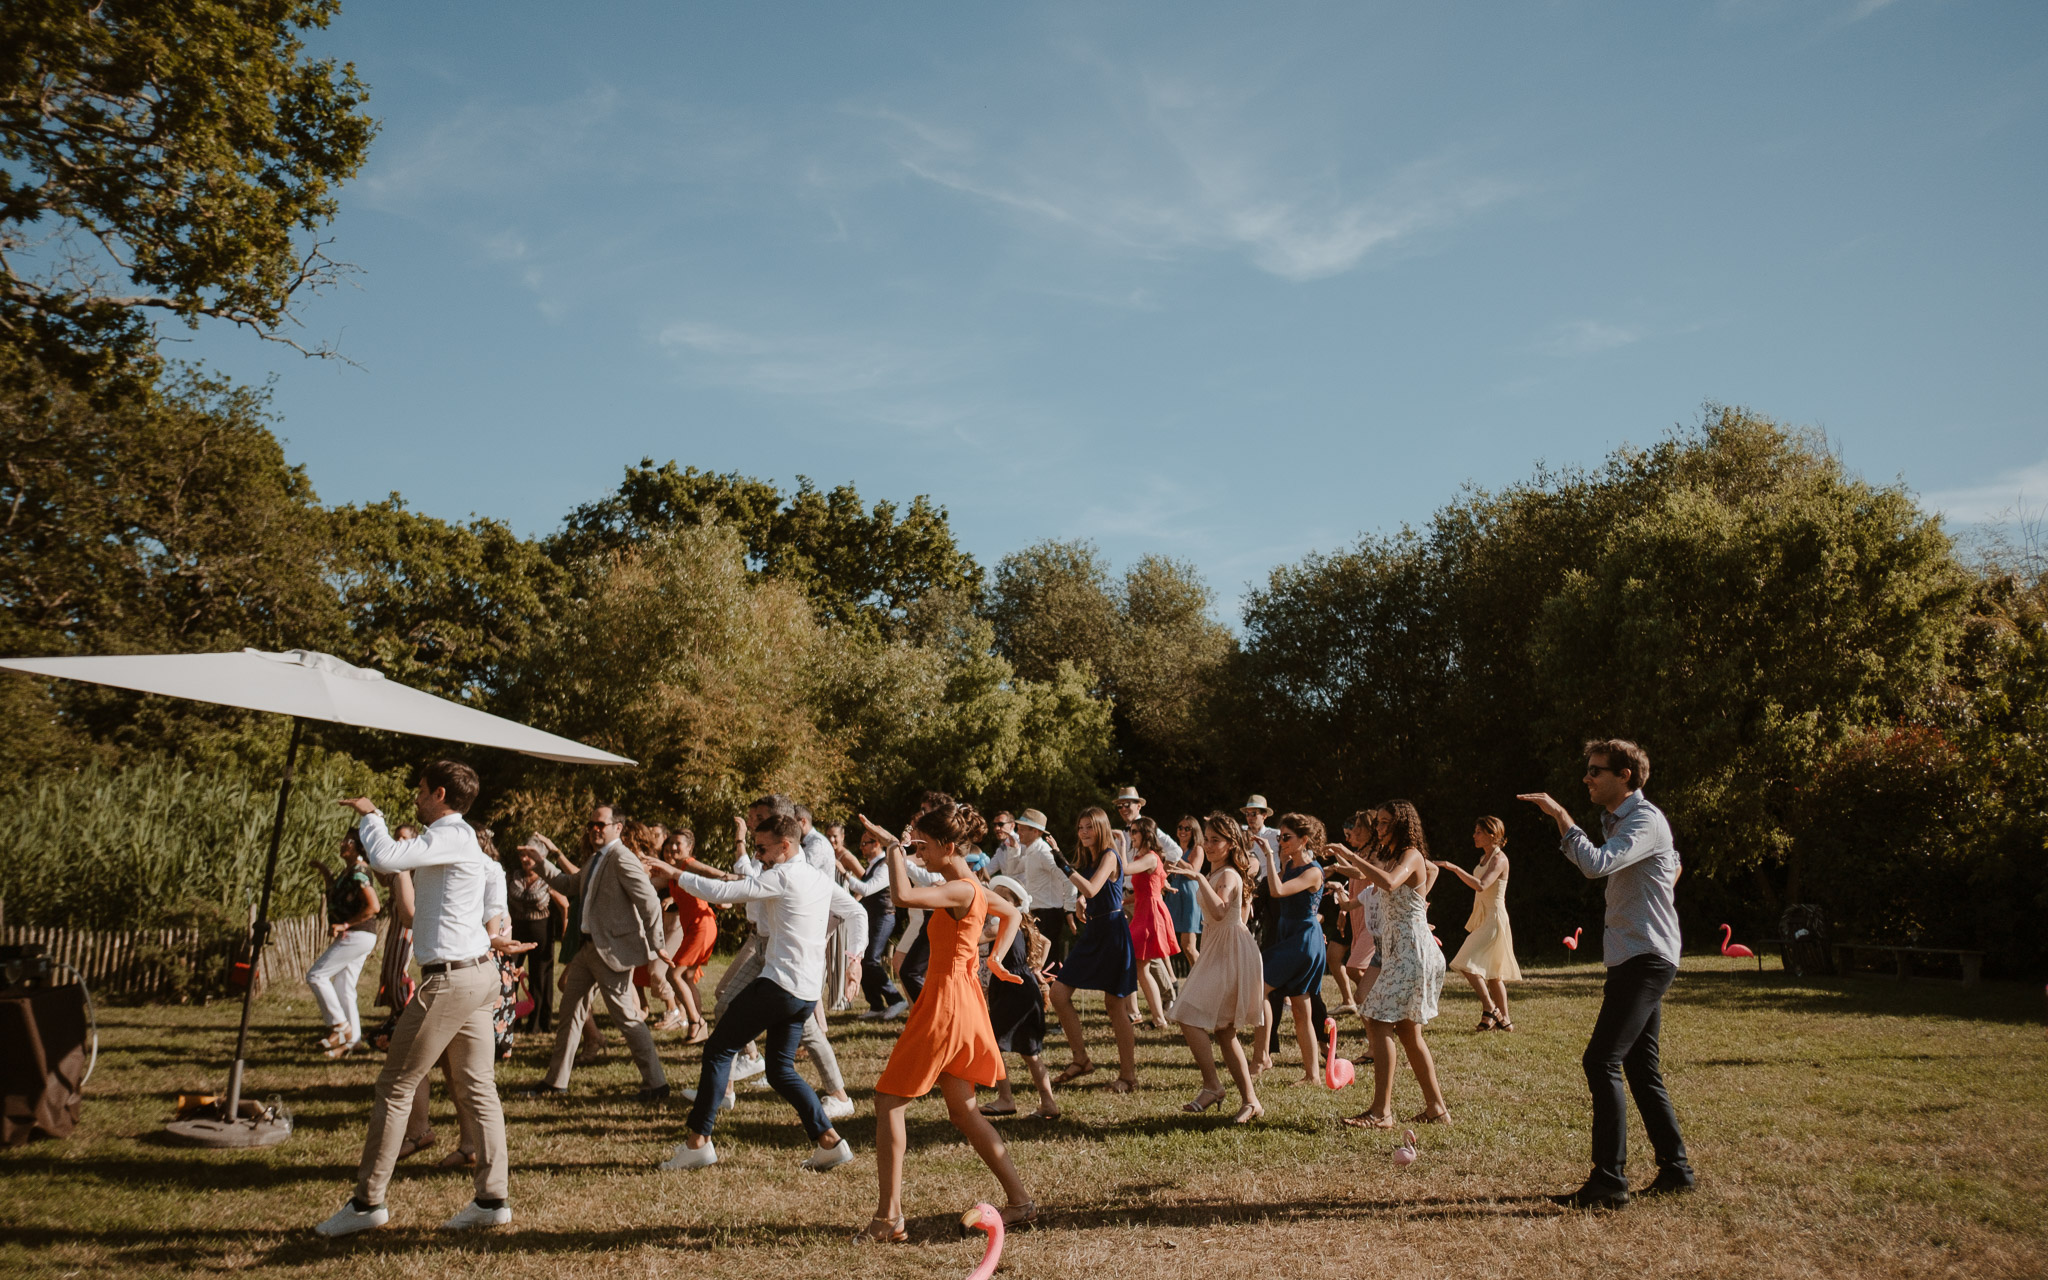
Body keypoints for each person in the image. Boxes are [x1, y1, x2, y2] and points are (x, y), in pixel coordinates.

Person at [316, 761, 510, 1237]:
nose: (417, 798)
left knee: (396, 1086)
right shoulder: (458, 840)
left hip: (451, 981)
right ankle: (491, 1200)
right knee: (477, 1086)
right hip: (478, 975)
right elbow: (481, 880)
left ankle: (367, 1204)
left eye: (421, 790)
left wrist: (370, 813)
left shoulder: (448, 831)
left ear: (439, 793)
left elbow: (382, 856)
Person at [1521, 738, 1695, 1209]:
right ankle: (1676, 1170)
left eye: (1597, 770)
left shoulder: (1644, 818)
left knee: (1601, 1060)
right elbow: (1672, 864)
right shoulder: (1627, 821)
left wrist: (1561, 817)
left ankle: (1609, 1181)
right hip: (1632, 956)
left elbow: (1596, 865)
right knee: (1640, 1066)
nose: (1587, 778)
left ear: (1626, 776)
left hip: (1646, 957)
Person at [857, 805, 1036, 1242]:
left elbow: (901, 898)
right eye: (914, 843)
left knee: (888, 1101)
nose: (917, 851)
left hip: (946, 1003)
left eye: (923, 845)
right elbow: (1011, 915)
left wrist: (894, 848)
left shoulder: (960, 890)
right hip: (959, 999)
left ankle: (889, 1217)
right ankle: (1020, 1202)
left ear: (949, 847)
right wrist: (992, 959)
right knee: (963, 1109)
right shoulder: (971, 886)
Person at [659, 811, 866, 1173]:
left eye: (762, 848)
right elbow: (857, 912)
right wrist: (854, 957)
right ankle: (830, 1144)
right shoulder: (817, 878)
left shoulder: (783, 877)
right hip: (803, 993)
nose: (758, 855)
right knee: (779, 1070)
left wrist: (676, 873)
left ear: (785, 846)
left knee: (719, 1049)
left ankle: (698, 1144)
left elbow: (724, 891)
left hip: (780, 986)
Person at [704, 798, 862, 1119]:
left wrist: (851, 958)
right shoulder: (769, 849)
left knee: (807, 1031)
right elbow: (751, 879)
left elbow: (815, 896)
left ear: (783, 824)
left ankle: (839, 1095)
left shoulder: (811, 851)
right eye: (751, 821)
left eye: (759, 819)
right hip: (762, 941)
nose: (753, 828)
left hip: (791, 950)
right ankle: (728, 1085)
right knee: (725, 1004)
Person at [523, 804, 669, 1100]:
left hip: (611, 952)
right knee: (570, 1013)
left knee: (627, 1019)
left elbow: (650, 902)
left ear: (618, 827)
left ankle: (656, 1084)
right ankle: (556, 1081)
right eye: (591, 825)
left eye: (600, 825)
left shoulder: (621, 859)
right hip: (588, 949)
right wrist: (540, 863)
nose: (594, 829)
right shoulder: (597, 858)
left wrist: (657, 945)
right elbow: (569, 884)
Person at [1331, 800, 1449, 1129]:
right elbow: (1387, 880)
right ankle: (1436, 1108)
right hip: (1402, 950)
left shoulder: (1409, 855)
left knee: (1375, 1018)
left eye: (1384, 823)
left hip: (1412, 952)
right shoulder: (1395, 857)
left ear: (1401, 825)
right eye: (1378, 823)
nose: (1378, 828)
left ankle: (1381, 1113)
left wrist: (1352, 856)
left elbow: (1390, 882)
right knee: (1409, 1033)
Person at [1166, 813, 1267, 1124]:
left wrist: (1196, 878)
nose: (1208, 845)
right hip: (1218, 948)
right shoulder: (1218, 873)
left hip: (1229, 951)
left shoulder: (1228, 876)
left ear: (1230, 844)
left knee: (1185, 1014)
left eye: (1215, 840)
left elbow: (1222, 913)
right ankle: (1250, 1101)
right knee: (1224, 1032)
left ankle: (1213, 1085)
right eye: (1206, 839)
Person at [1047, 806, 1140, 1093]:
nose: (1084, 832)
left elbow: (1091, 888)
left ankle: (1128, 1076)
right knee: (1058, 993)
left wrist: (1061, 860)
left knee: (1115, 1005)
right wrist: (1080, 901)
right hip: (1094, 932)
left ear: (1099, 828)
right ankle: (1081, 1060)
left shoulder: (1110, 855)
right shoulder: (1089, 858)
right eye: (1080, 827)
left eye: (1089, 827)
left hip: (1112, 933)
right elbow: (1089, 892)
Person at [976, 875, 1058, 1120]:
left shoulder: (1002, 923)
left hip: (1014, 989)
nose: (993, 898)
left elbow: (975, 937)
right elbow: (1044, 941)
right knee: (1030, 1052)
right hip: (1022, 988)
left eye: (999, 896)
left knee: (992, 1043)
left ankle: (1005, 1099)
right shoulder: (1020, 925)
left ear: (1012, 903)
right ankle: (1048, 1103)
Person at [1256, 813, 1327, 1087]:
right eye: (1279, 837)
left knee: (1259, 987)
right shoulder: (1289, 865)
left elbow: (1278, 891)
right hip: (1290, 935)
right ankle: (1312, 1076)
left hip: (1303, 940)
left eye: (1287, 837)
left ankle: (1261, 1057)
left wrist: (1270, 859)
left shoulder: (1312, 871)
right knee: (1300, 1008)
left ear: (1304, 840)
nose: (1281, 841)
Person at [1436, 816, 1522, 1031]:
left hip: (1494, 918)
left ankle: (1491, 1008)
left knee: (1464, 961)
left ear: (1492, 835)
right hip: (1485, 916)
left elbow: (1482, 885)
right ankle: (1504, 1021)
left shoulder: (1499, 859)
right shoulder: (1485, 857)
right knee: (1493, 973)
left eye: (1478, 832)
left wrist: (1454, 868)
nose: (1474, 836)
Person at [308, 827, 381, 1056]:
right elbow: (335, 893)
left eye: (347, 840)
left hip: (357, 933)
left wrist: (346, 924)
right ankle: (353, 1042)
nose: (342, 843)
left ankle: (340, 1027)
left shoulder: (359, 870)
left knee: (316, 975)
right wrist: (325, 873)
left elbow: (374, 906)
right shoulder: (350, 870)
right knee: (344, 986)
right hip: (362, 935)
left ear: (357, 845)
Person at [1113, 787, 1182, 1023]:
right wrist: (1125, 900)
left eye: (1134, 832)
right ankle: (1153, 1014)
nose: (1131, 835)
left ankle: (1161, 1012)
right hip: (1140, 905)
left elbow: (1124, 871)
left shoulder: (1150, 856)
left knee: (1142, 964)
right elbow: (1145, 885)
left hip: (1150, 913)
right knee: (1140, 965)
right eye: (1119, 805)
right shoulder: (1143, 856)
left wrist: (1121, 843)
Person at [507, 837, 566, 1034]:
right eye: (522, 854)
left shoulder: (548, 878)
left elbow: (565, 904)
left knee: (540, 977)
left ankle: (538, 1023)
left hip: (541, 930)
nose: (525, 859)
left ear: (541, 857)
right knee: (509, 973)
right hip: (516, 930)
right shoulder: (512, 876)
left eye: (530, 855)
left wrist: (565, 929)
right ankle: (510, 1019)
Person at [850, 821, 908, 1020]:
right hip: (872, 916)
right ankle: (875, 1005)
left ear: (876, 844)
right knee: (864, 959)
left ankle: (896, 999)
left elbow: (866, 889)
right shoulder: (873, 865)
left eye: (864, 843)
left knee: (871, 960)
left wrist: (844, 873)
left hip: (884, 916)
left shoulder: (885, 865)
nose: (861, 847)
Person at [1005, 809, 1070, 965]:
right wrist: (1014, 849)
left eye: (1022, 828)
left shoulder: (1044, 852)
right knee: (1035, 959)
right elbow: (1011, 872)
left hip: (1049, 914)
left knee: (1047, 961)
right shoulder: (1030, 851)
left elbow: (1068, 877)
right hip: (1036, 912)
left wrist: (1070, 908)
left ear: (1035, 831)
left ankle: (1051, 989)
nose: (1018, 832)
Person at [1169, 815, 1205, 973]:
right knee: (1173, 943)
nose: (1182, 831)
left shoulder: (1197, 849)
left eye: (1187, 828)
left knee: (1189, 945)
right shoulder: (1174, 850)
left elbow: (1193, 872)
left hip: (1190, 896)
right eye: (1180, 828)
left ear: (1194, 831)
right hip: (1174, 893)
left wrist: (1175, 857)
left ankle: (1203, 977)